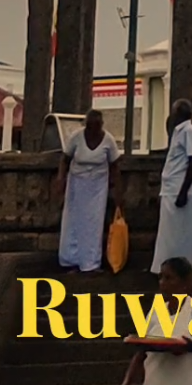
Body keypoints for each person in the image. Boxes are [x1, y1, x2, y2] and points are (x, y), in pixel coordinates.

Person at [119, 256, 192, 385]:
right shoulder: (156, 311)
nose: (162, 283)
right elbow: (142, 350)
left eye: (169, 278)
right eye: (160, 278)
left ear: (185, 283)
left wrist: (188, 347)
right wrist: (126, 383)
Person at [56, 108, 121, 273]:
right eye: (91, 126)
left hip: (98, 187)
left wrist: (115, 189)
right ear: (86, 125)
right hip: (77, 185)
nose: (94, 129)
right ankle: (70, 260)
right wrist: (61, 180)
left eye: (97, 126)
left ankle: (90, 263)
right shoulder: (76, 138)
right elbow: (65, 159)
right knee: (73, 222)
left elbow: (115, 165)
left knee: (93, 224)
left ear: (101, 125)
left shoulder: (108, 140)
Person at [152, 100, 192, 273]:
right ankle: (164, 267)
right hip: (171, 187)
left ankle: (181, 270)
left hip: (181, 189)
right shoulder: (178, 132)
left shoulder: (189, 131)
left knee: (180, 235)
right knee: (168, 233)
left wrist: (183, 191)